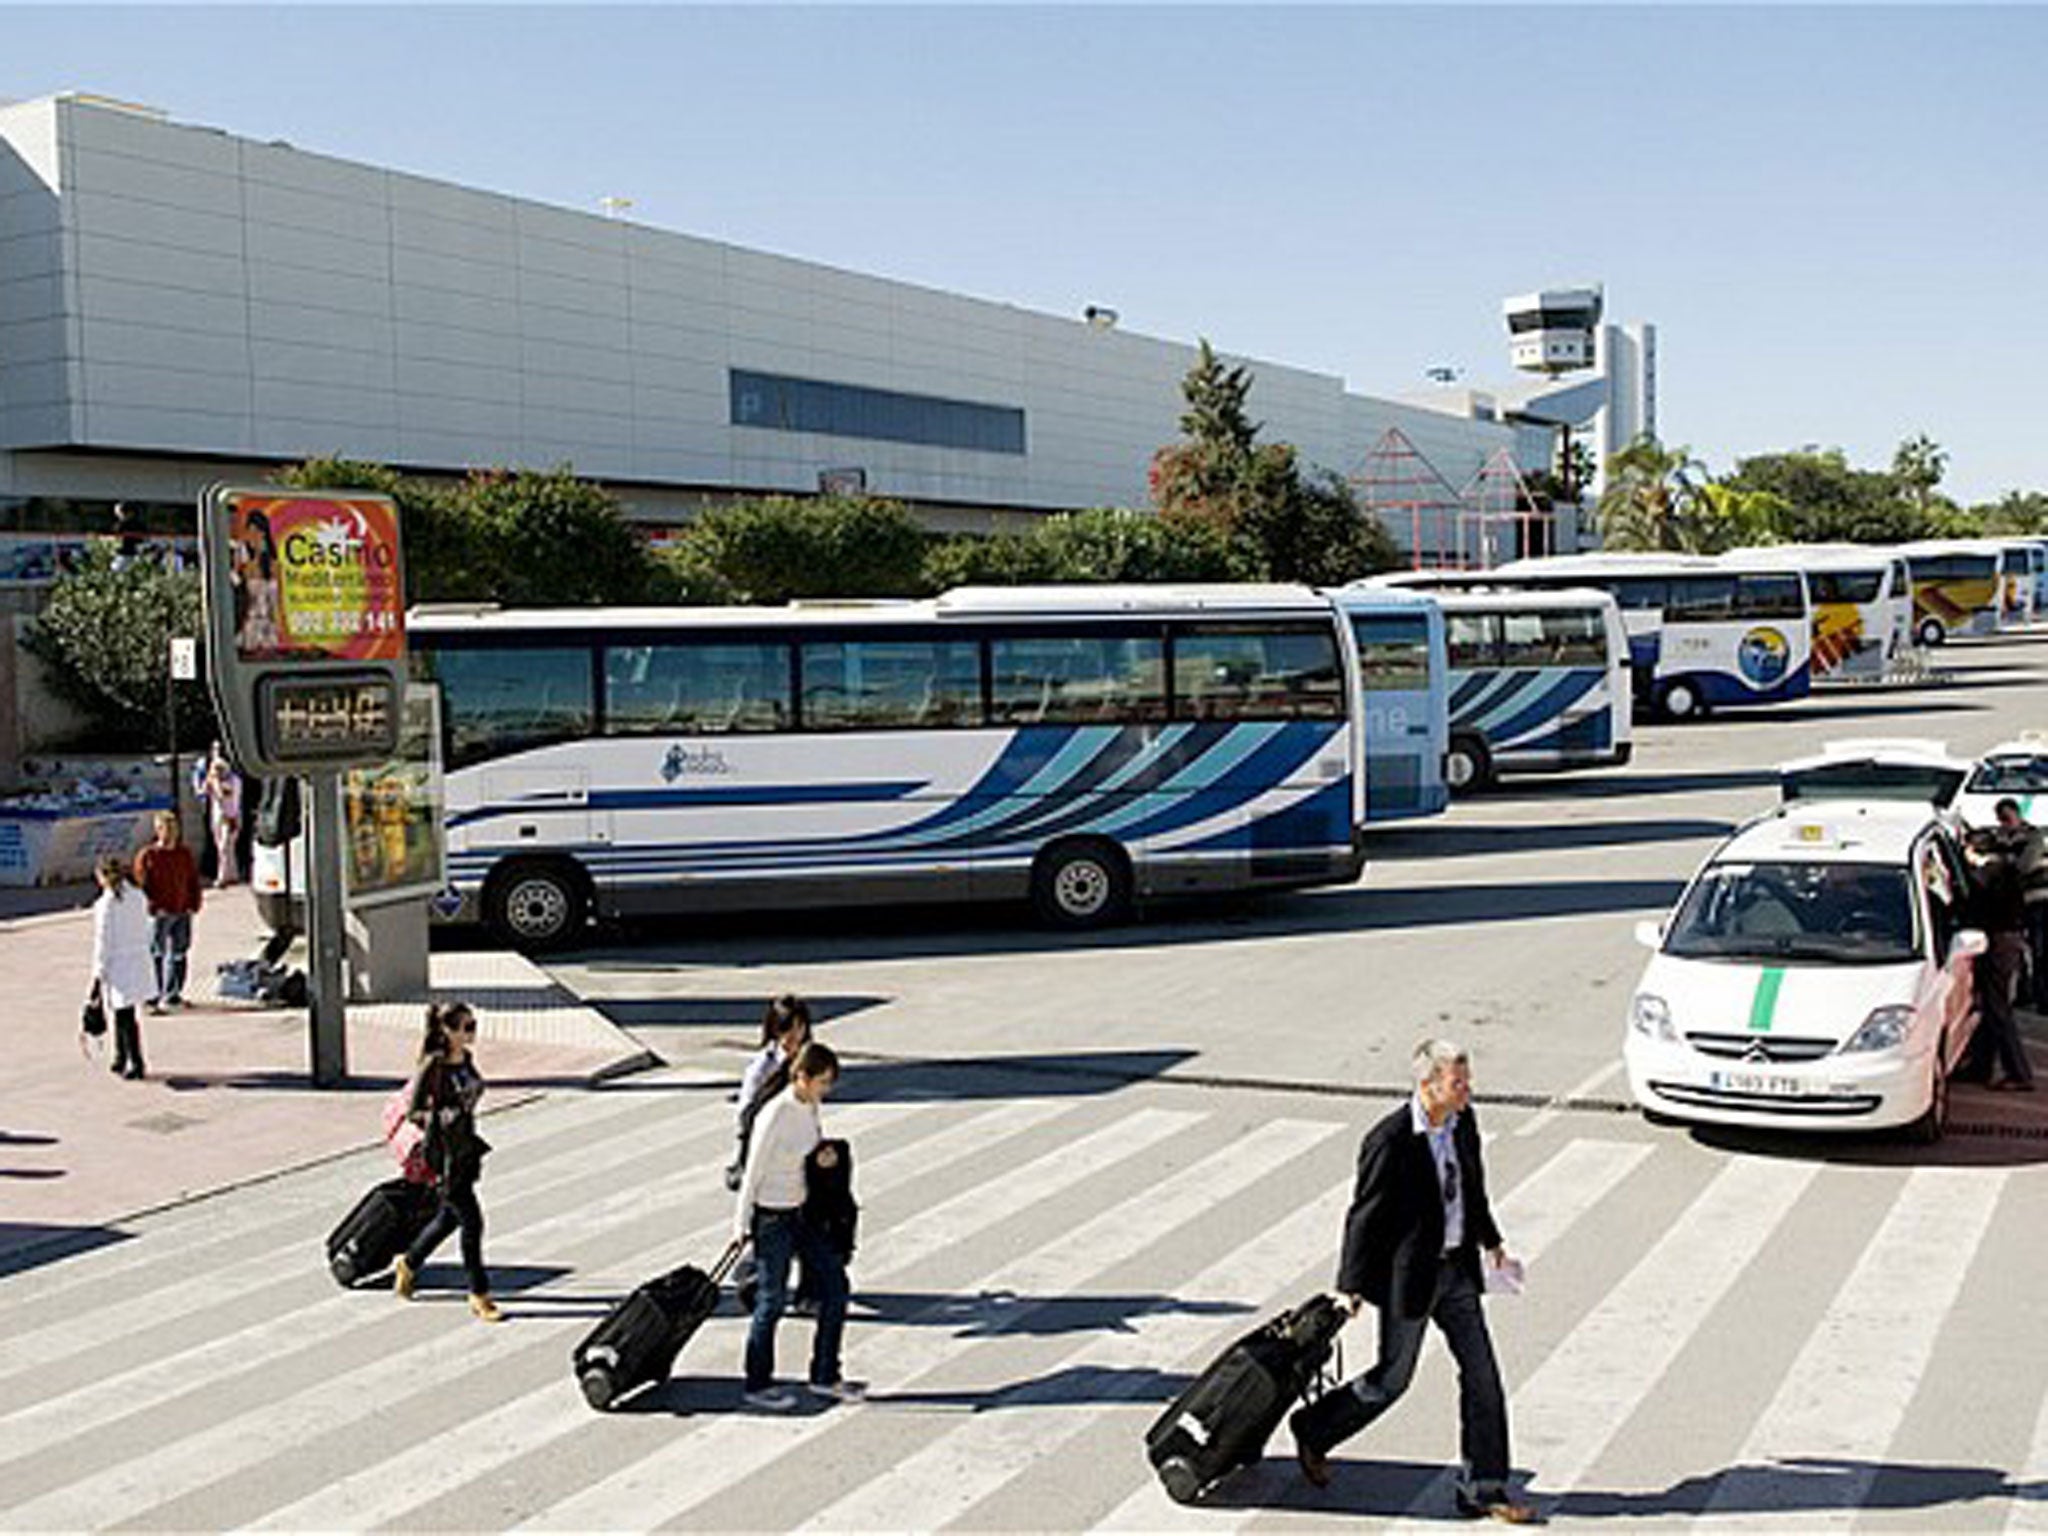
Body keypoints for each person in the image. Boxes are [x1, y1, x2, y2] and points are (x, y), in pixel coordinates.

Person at [1290, 1040, 1541, 1525]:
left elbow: (1472, 1188)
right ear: (1428, 1086)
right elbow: (1364, 1216)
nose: (1468, 1091)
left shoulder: (1463, 1123)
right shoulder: (1389, 1140)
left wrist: (1492, 1242)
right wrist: (1351, 1286)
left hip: (1458, 1272)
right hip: (1411, 1279)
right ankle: (1315, 1430)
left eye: (1467, 1081)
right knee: (1391, 1380)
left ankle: (1483, 1487)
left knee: (1483, 1378)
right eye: (1458, 1083)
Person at [732, 1040, 858, 1411]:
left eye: (829, 1083)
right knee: (771, 1302)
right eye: (822, 1082)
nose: (826, 1090)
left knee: (835, 1286)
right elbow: (752, 1170)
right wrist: (740, 1226)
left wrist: (825, 1156)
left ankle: (824, 1375)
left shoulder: (809, 1106)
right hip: (772, 1217)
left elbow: (809, 1150)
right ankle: (757, 1383)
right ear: (801, 1077)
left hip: (803, 1213)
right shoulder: (774, 1113)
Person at [392, 1001, 504, 1321]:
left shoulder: (466, 1059)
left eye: (474, 1026)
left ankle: (409, 1263)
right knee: (472, 1222)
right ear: (447, 1031)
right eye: (466, 1027)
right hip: (444, 1156)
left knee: (448, 1219)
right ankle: (479, 1294)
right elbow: (414, 1112)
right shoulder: (434, 1065)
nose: (472, 1032)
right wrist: (440, 1117)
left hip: (466, 1148)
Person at [1961, 833, 2034, 1091]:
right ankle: (1980, 1066)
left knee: (1997, 1007)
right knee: (1989, 1007)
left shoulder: (1987, 875)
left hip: (1997, 942)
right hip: (2007, 940)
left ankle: (2018, 1073)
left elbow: (1972, 907)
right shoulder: (2006, 870)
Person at [90, 855, 156, 1080]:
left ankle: (136, 1061)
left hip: (119, 963)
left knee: (125, 1015)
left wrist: (98, 972)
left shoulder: (106, 904)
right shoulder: (138, 896)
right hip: (138, 958)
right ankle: (120, 1056)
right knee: (123, 1012)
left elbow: (103, 940)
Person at [133, 810, 202, 1011]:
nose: (170, 833)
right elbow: (141, 886)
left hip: (181, 910)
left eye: (173, 828)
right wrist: (153, 907)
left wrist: (193, 904)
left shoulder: (184, 854)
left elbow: (192, 881)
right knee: (156, 953)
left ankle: (173, 994)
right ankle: (151, 998)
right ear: (157, 830)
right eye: (165, 828)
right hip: (160, 913)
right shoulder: (148, 856)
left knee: (179, 953)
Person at [1992, 798, 2048, 1010]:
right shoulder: (2003, 839)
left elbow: (2024, 866)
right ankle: (2029, 994)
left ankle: (2042, 998)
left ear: (2017, 815)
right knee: (2027, 950)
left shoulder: (2033, 837)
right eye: (2001, 820)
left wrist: (2001, 861)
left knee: (2041, 950)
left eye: (2007, 818)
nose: (2004, 824)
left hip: (2041, 899)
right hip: (2023, 902)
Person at [197, 745, 244, 888]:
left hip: (230, 815)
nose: (218, 772)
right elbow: (201, 792)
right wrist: (209, 780)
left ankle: (222, 876)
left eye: (220, 769)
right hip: (217, 816)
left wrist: (217, 783)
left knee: (225, 846)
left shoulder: (234, 781)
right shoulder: (213, 781)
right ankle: (233, 874)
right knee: (222, 847)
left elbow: (227, 796)